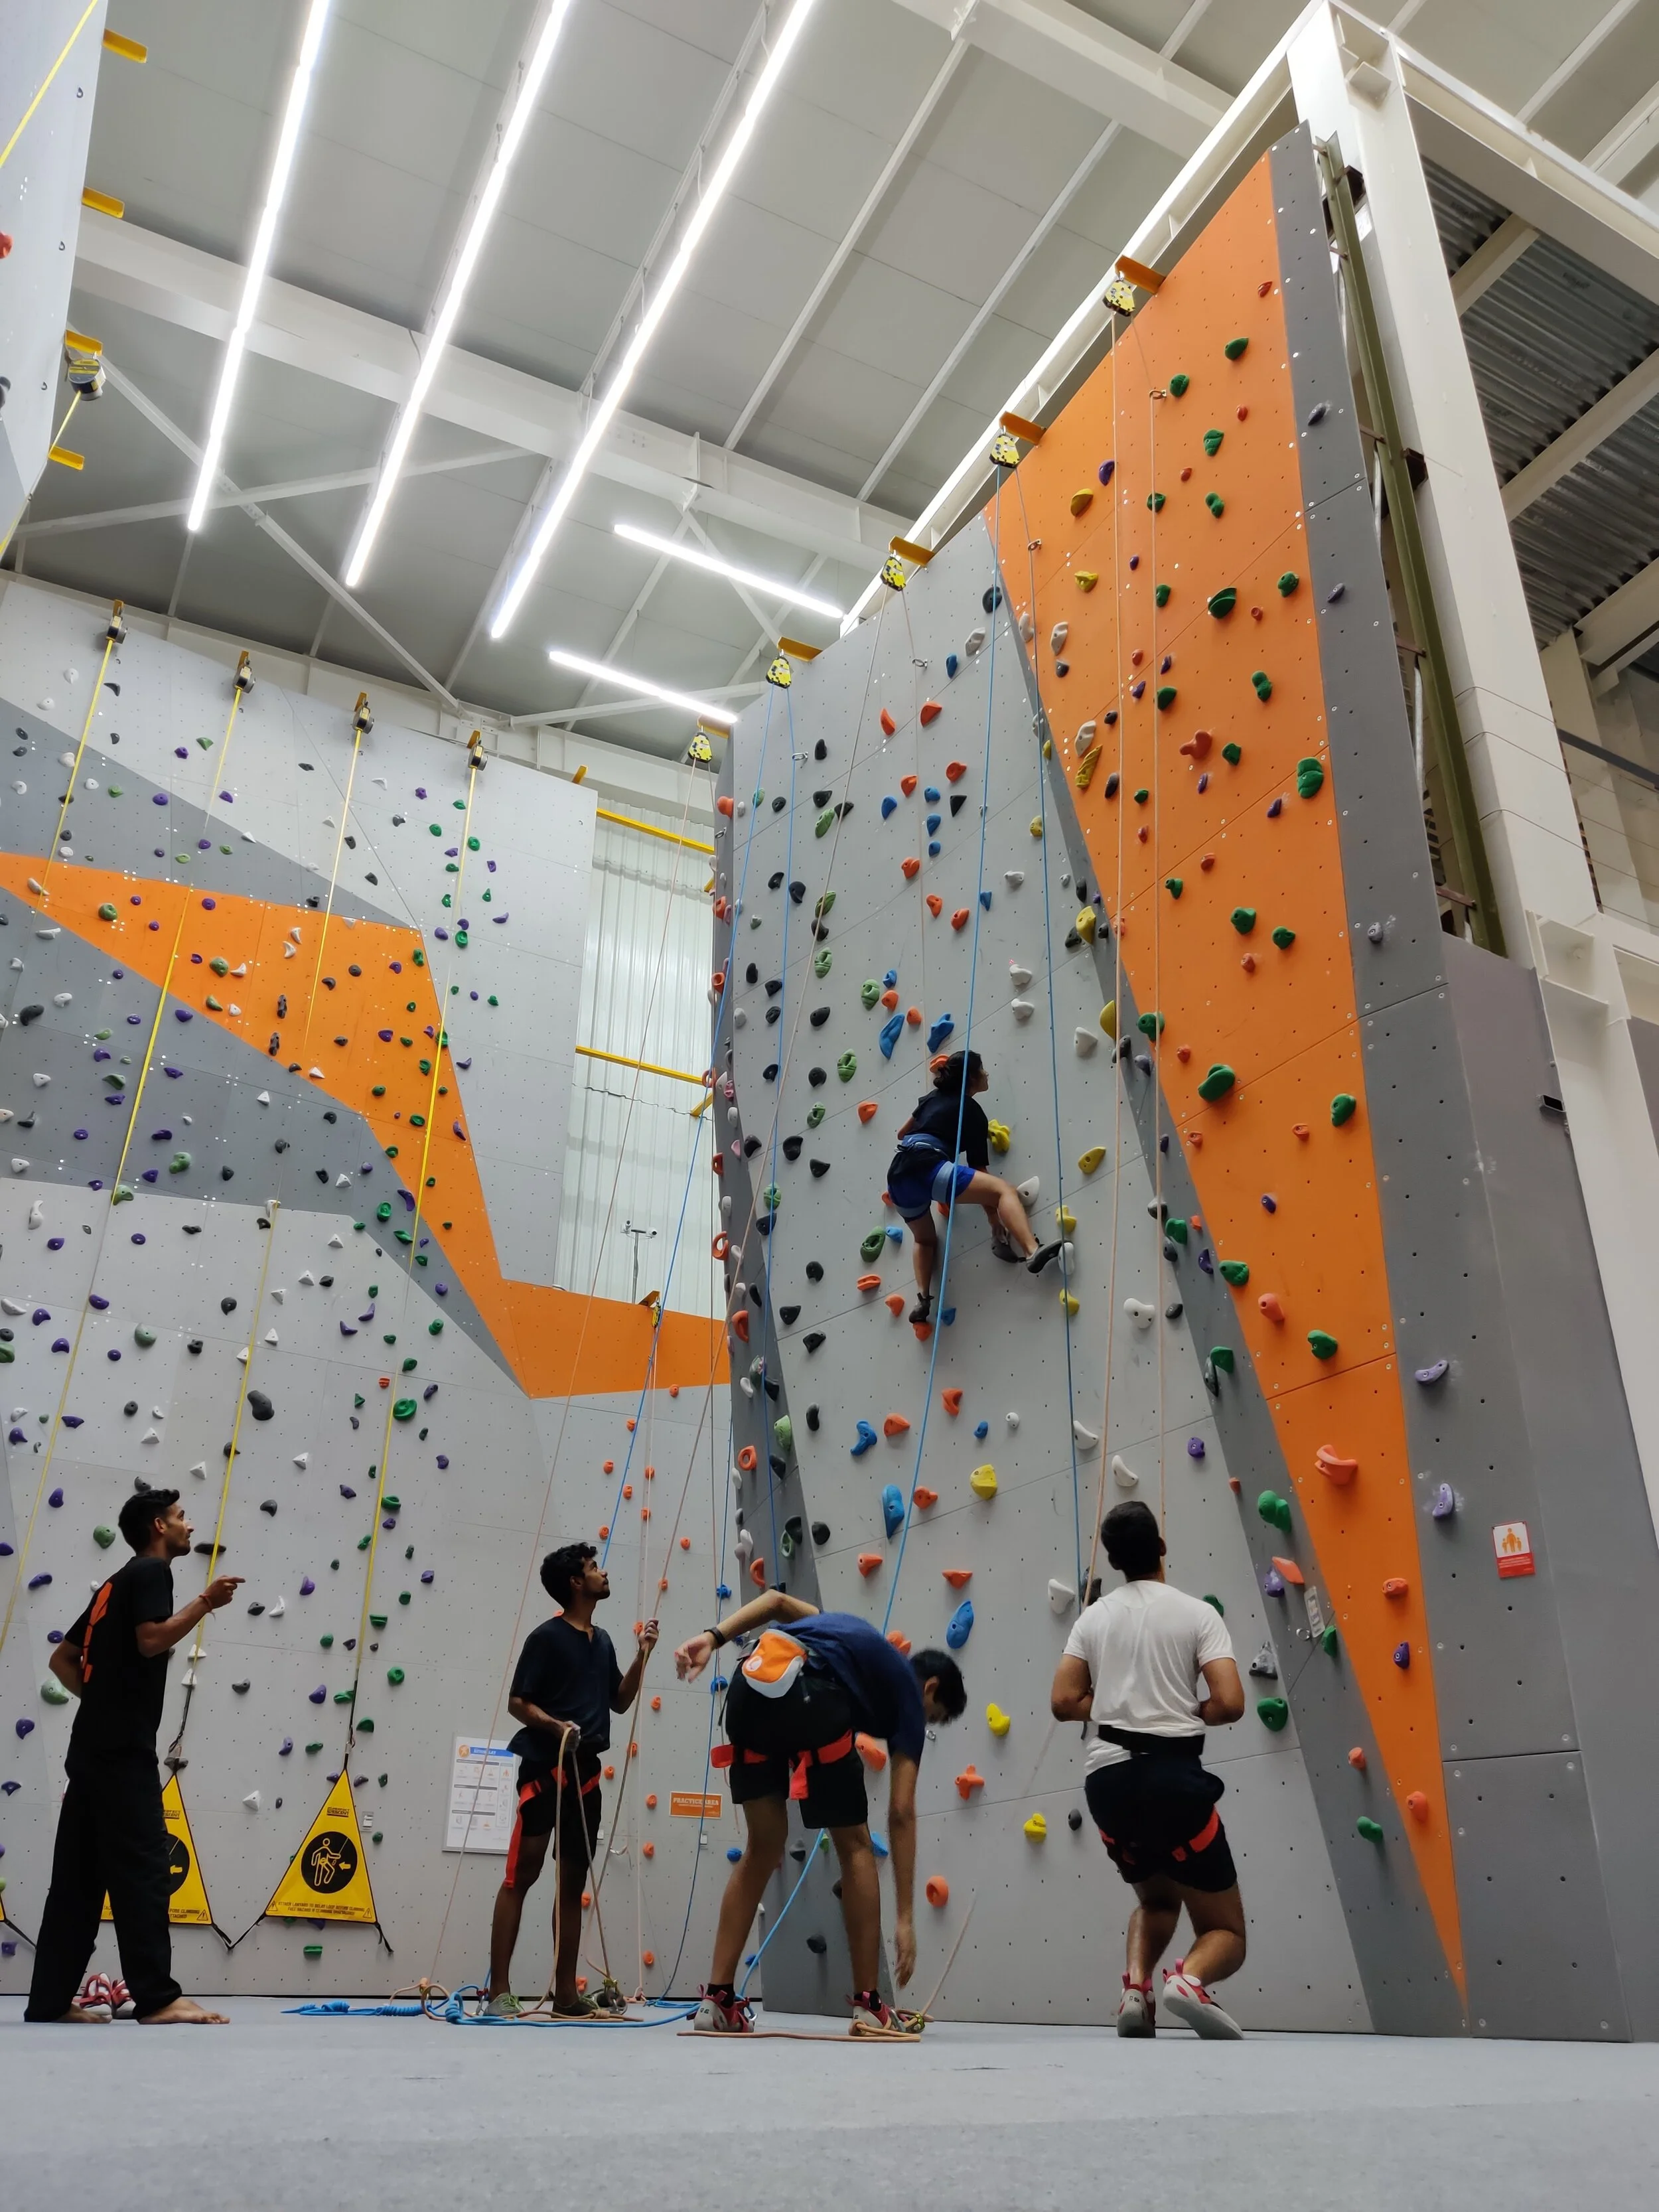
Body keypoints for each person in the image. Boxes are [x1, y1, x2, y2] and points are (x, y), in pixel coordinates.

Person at [674, 1590, 966, 2035]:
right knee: (856, 1846)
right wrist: (906, 1919)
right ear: (930, 1688)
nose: (924, 1722)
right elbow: (901, 1812)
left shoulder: (836, 1629)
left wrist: (713, 1638)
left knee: (762, 1847)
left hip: (748, 1691)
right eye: (935, 1715)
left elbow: (775, 1601)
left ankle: (717, 2002)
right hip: (811, 1696)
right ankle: (869, 2006)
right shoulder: (909, 1694)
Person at [25, 1487, 242, 2026]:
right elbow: (150, 1639)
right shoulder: (150, 1572)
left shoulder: (114, 1583)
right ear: (158, 1526)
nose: (190, 1525)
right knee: (145, 1870)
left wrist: (103, 1702)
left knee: (76, 1883)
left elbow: (62, 1659)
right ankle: (158, 1997)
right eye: (181, 1517)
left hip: (90, 1750)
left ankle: (49, 2001)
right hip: (122, 1755)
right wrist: (206, 1602)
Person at [1050, 1499, 1248, 2039]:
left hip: (1108, 1785)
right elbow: (1231, 1702)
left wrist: (1117, 1706)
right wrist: (1186, 1708)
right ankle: (1189, 1980)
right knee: (1226, 1930)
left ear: (1114, 1561)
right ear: (1161, 1547)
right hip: (1173, 1779)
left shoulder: (1092, 1618)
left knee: (1158, 1900)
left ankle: (1135, 1989)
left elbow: (1064, 1700)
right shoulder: (1197, 1614)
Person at [486, 1543, 657, 2018]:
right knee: (522, 1874)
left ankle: (565, 1994)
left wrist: (643, 1655)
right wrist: (556, 1726)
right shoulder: (546, 1638)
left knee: (572, 1882)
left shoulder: (603, 1641)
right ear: (577, 1583)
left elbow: (619, 1701)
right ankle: (498, 1990)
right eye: (594, 1568)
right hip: (546, 1766)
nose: (604, 1573)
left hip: (586, 1774)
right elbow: (518, 1702)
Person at [887, 1049, 1066, 1325]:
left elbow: (902, 1133)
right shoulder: (972, 1112)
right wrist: (994, 1221)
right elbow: (979, 1170)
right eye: (982, 1070)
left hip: (898, 1177)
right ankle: (1032, 1250)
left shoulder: (932, 1098)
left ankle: (923, 1299)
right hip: (927, 1165)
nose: (986, 1074)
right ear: (971, 1078)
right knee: (1004, 1191)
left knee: (923, 1239)